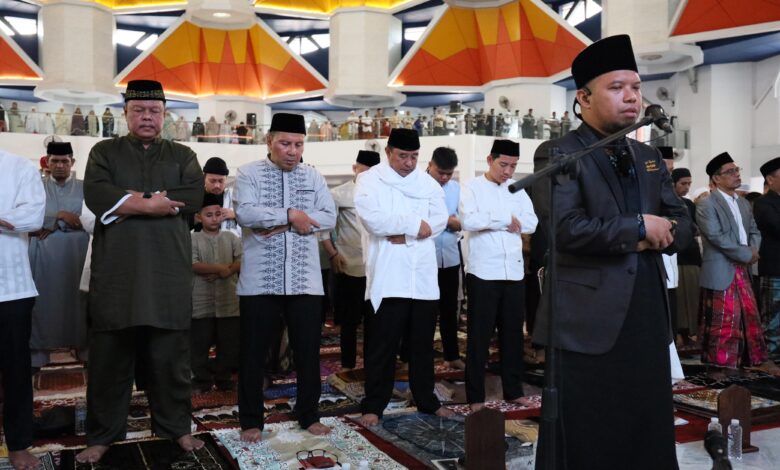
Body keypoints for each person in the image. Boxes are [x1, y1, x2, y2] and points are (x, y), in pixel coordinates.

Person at [532, 35, 692, 469]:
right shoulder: (559, 154)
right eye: (617, 87)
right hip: (587, 317)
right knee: (589, 428)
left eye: (636, 87)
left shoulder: (649, 156)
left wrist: (664, 230)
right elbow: (565, 230)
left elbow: (683, 224)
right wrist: (641, 228)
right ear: (583, 97)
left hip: (646, 310)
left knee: (647, 420)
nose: (631, 96)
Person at [78, 80, 205, 463]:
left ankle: (177, 429)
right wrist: (154, 204)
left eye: (154, 111)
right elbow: (97, 195)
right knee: (109, 363)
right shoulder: (105, 151)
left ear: (165, 115)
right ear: (126, 114)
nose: (147, 117)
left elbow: (195, 197)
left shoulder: (183, 154)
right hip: (118, 277)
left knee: (171, 362)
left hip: (167, 276)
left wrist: (130, 200)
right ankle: (102, 435)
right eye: (139, 111)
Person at [234, 112, 336, 442]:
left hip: (305, 281)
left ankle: (309, 414)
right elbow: (246, 213)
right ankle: (251, 419)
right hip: (259, 282)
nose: (292, 151)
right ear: (269, 141)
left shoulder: (313, 176)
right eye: (285, 143)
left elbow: (329, 217)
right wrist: (292, 215)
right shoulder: (248, 174)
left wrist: (281, 224)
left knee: (307, 351)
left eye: (298, 144)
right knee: (253, 352)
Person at [353, 128, 455, 427]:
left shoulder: (427, 183)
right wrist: (413, 226)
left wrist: (401, 234)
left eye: (414, 157)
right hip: (388, 276)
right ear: (388, 152)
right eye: (402, 156)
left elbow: (437, 221)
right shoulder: (369, 180)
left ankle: (427, 399)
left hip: (422, 278)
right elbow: (373, 220)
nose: (409, 163)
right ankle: (374, 405)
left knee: (422, 346)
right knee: (382, 347)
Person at [461, 139, 538, 411]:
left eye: (513, 166)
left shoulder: (516, 188)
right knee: (479, 337)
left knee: (513, 336)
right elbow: (469, 220)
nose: (508, 171)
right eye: (503, 164)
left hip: (514, 272)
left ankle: (513, 390)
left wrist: (494, 219)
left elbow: (531, 222)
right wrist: (505, 219)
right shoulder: (471, 187)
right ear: (489, 160)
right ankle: (475, 397)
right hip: (483, 271)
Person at [697, 152, 777, 371]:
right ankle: (720, 365)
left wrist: (753, 250)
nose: (735, 174)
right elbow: (715, 237)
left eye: (736, 170)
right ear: (716, 179)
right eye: (729, 172)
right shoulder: (707, 204)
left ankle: (755, 361)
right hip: (722, 267)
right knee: (723, 321)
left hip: (743, 268)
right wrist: (745, 254)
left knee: (750, 317)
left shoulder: (743, 202)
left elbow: (754, 231)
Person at [0, 150, 45, 470]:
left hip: (12, 288)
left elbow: (32, 217)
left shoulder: (18, 167)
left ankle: (18, 445)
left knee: (15, 371)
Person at [28, 142, 90, 368]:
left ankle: (82, 346)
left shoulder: (86, 187)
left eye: (65, 161)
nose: (60, 165)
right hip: (44, 254)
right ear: (47, 162)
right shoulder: (35, 187)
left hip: (77, 254)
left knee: (79, 301)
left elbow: (88, 218)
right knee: (42, 302)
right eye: (55, 160)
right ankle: (39, 350)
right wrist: (60, 216)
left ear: (72, 162)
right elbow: (28, 216)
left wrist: (54, 220)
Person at [323, 150, 381, 371]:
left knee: (374, 321)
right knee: (349, 322)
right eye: (363, 172)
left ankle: (372, 364)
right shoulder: (339, 194)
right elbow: (325, 230)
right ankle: (347, 365)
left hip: (376, 268)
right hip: (349, 266)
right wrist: (333, 254)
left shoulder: (381, 194)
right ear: (354, 168)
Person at [190, 193, 242, 392]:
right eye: (208, 214)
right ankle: (201, 379)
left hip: (228, 299)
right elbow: (193, 263)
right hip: (201, 300)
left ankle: (223, 377)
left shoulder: (231, 237)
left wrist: (226, 272)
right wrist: (220, 269)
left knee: (228, 343)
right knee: (199, 344)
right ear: (199, 217)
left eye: (217, 214)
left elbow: (241, 259)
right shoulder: (193, 238)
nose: (213, 218)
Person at [427, 147, 465, 370]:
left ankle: (452, 355)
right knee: (426, 310)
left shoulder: (456, 189)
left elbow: (463, 220)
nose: (444, 178)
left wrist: (453, 222)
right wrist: (446, 221)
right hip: (426, 257)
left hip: (450, 255)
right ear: (430, 165)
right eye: (440, 172)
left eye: (449, 174)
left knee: (451, 309)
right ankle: (416, 355)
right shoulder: (418, 186)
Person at [672, 167, 702, 345]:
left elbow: (695, 228)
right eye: (683, 183)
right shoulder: (664, 202)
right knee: (679, 298)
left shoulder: (689, 204)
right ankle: (679, 333)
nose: (687, 187)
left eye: (689, 184)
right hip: (676, 257)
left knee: (692, 297)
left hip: (691, 256)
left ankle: (690, 333)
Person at [755, 157, 780, 359]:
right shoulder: (764, 203)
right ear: (770, 180)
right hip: (774, 268)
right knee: (772, 318)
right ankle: (768, 359)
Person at [201, 157, 240, 237]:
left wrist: (236, 215)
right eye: (212, 181)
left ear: (226, 179)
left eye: (221, 181)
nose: (217, 185)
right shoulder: (196, 197)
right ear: (204, 178)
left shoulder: (234, 196)